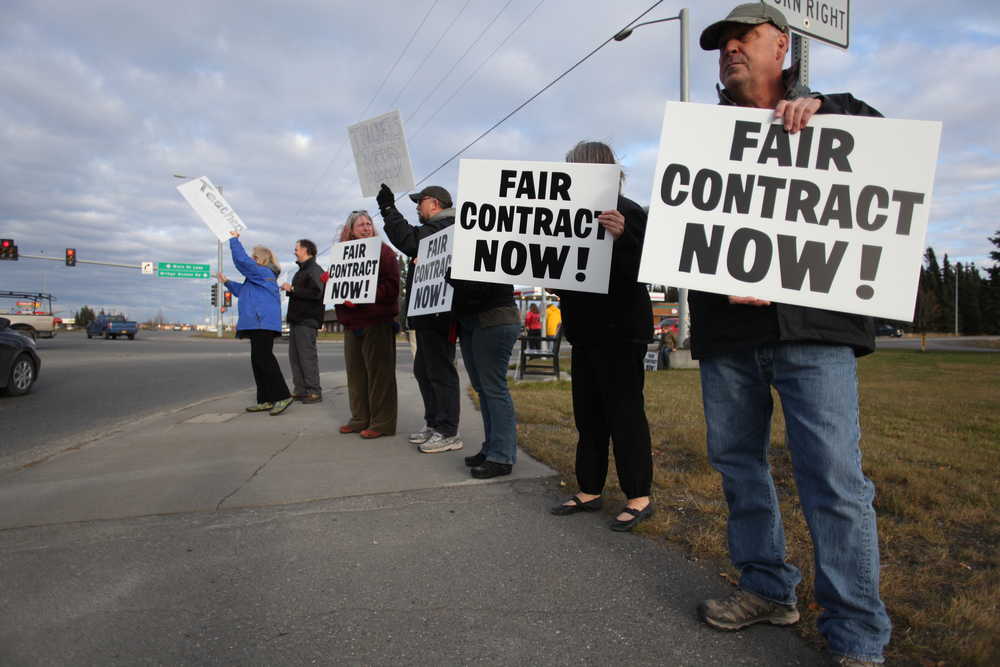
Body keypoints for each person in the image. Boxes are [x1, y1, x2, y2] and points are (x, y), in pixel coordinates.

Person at [691, 5, 890, 666]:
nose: (729, 51)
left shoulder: (836, 111)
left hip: (813, 330)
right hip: (727, 333)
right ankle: (767, 586)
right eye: (721, 44)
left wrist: (823, 106)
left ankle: (857, 633)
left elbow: (890, 153)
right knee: (739, 468)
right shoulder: (704, 134)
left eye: (742, 38)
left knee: (833, 478)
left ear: (781, 44)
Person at [548, 141, 654, 532]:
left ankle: (638, 496)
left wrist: (624, 236)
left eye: (581, 166)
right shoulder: (566, 214)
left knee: (624, 414)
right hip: (585, 332)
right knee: (588, 416)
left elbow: (645, 269)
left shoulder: (628, 212)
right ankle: (589, 489)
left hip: (622, 333)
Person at [377, 183, 462, 453]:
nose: (416, 207)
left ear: (435, 204)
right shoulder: (434, 229)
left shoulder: (447, 226)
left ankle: (448, 431)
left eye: (420, 202)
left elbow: (410, 241)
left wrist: (389, 210)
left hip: (441, 314)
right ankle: (435, 424)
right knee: (424, 370)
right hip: (427, 314)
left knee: (440, 371)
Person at [445, 261, 521, 478]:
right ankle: (492, 448)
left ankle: (502, 455)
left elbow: (479, 287)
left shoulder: (490, 240)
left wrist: (450, 274)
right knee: (484, 389)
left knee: (494, 389)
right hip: (473, 321)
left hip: (494, 319)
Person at [333, 211, 400, 439]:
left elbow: (392, 288)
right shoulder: (343, 255)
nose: (366, 227)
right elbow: (337, 288)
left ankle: (382, 423)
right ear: (351, 230)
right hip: (353, 324)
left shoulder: (384, 252)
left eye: (369, 223)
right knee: (356, 373)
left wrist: (364, 295)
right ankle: (359, 418)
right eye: (360, 224)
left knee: (380, 375)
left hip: (377, 321)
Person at [218, 232, 293, 416]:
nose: (251, 259)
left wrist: (233, 239)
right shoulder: (258, 277)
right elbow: (242, 291)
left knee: (264, 359)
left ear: (260, 259)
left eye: (254, 257)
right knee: (258, 360)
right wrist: (227, 282)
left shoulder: (263, 272)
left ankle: (282, 395)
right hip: (258, 322)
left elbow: (241, 261)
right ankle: (265, 399)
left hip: (262, 322)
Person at [280, 239, 325, 404]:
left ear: (306, 250)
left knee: (307, 357)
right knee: (295, 357)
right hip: (297, 320)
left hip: (307, 320)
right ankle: (300, 390)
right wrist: (292, 291)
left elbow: (317, 293)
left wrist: (293, 289)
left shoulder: (314, 270)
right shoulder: (301, 271)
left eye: (296, 249)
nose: (294, 251)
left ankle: (314, 391)